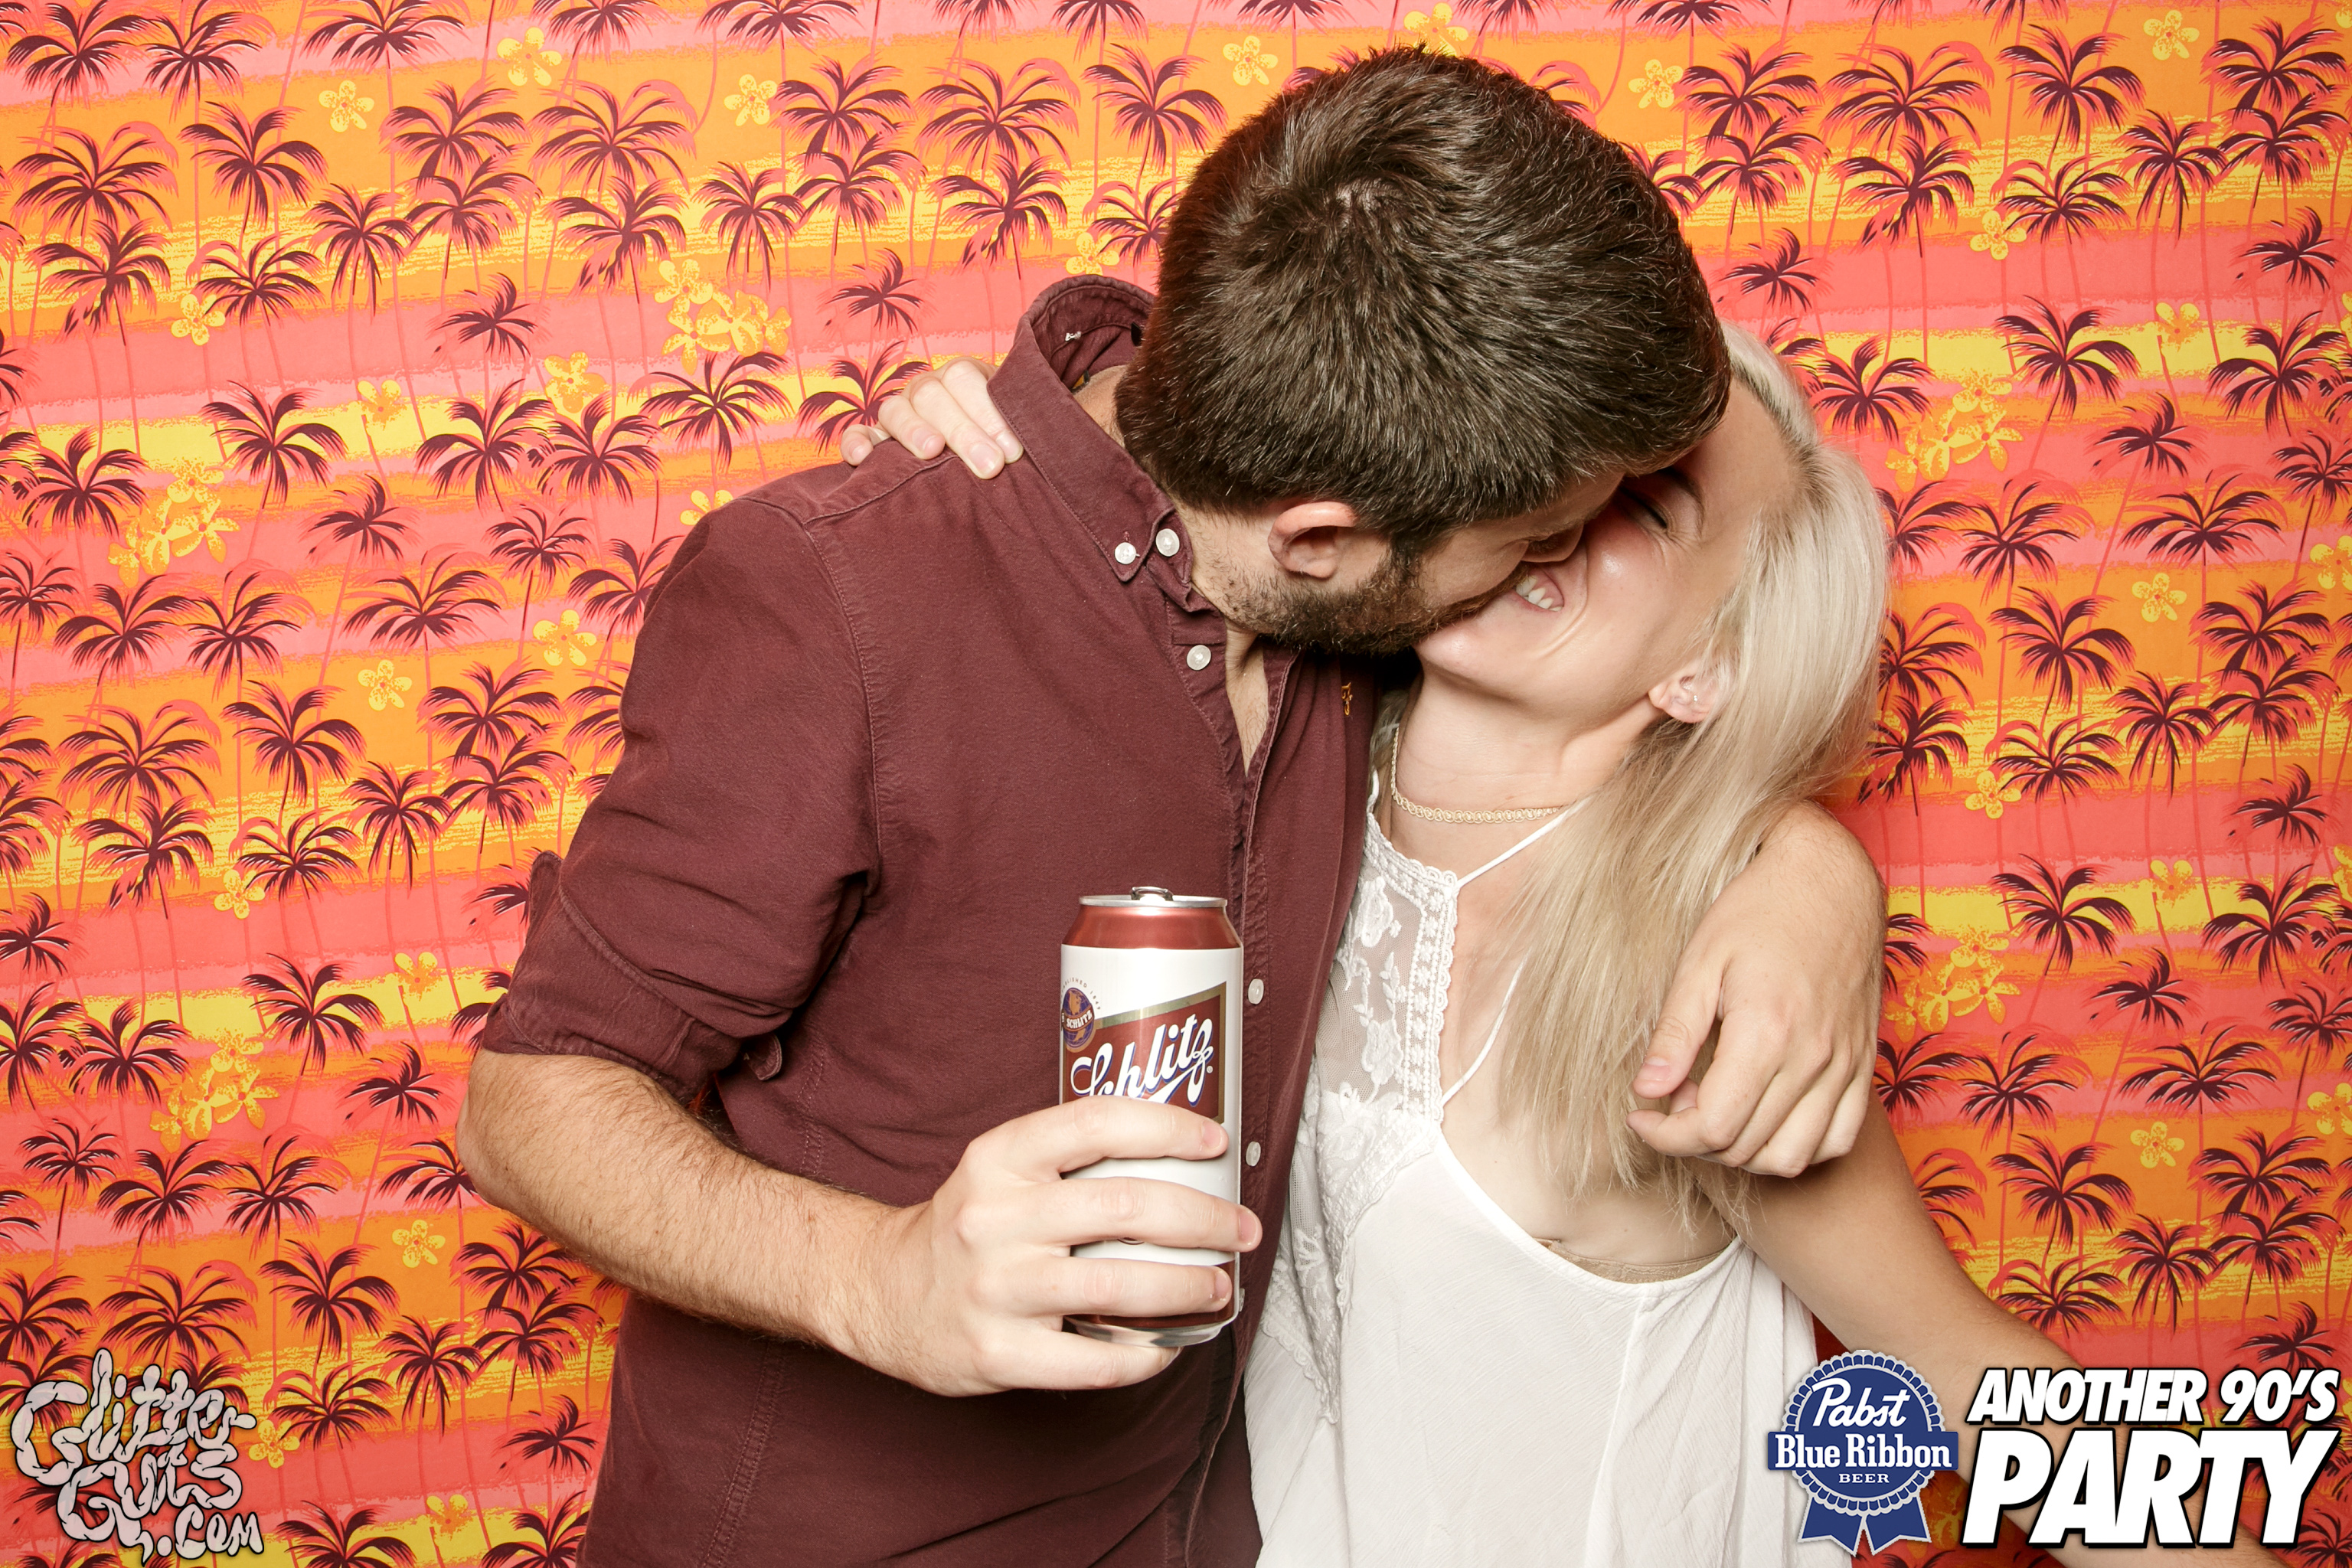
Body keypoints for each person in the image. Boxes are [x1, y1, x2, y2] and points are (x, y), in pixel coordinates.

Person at [456, 51, 1884, 1567]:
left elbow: (1622, 752)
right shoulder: (840, 597)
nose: (1551, 565)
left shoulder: (1372, 613)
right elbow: (531, 1102)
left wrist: (1812, 874)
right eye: (1536, 537)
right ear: (1322, 540)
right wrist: (877, 1278)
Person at [854, 328, 2288, 1564]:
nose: (1555, 505)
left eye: (1646, 505)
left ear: (1708, 665)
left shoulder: (1703, 982)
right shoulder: (1281, 777)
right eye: (1559, 451)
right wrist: (980, 467)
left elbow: (1980, 1380)